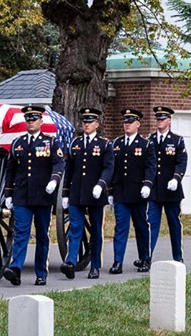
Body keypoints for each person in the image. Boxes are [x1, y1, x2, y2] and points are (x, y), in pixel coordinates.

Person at [2, 105, 64, 286]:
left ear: (41, 121)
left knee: (42, 235)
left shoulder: (50, 142)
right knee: (21, 232)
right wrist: (8, 193)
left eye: (34, 119)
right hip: (22, 196)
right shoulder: (18, 143)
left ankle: (41, 272)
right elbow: (10, 170)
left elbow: (58, 164)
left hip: (42, 196)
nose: (31, 122)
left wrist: (54, 180)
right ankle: (15, 269)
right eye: (28, 119)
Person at [61, 107, 113, 279]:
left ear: (97, 124)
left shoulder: (104, 144)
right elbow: (69, 171)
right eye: (85, 121)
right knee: (75, 228)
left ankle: (95, 266)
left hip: (95, 194)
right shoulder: (75, 144)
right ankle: (70, 262)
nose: (87, 124)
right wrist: (65, 194)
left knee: (96, 231)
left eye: (90, 121)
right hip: (77, 194)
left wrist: (101, 184)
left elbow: (108, 168)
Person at [108, 107, 155, 274]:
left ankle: (145, 258)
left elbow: (150, 167)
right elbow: (112, 169)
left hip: (138, 193)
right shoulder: (116, 144)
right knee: (121, 227)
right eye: (125, 122)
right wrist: (110, 191)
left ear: (138, 124)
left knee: (141, 226)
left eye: (130, 122)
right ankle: (117, 261)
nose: (127, 125)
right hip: (121, 193)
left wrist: (147, 185)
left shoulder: (146, 144)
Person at [147, 105, 187, 263]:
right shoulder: (149, 140)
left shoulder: (177, 140)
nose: (159, 121)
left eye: (162, 119)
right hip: (154, 190)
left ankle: (178, 256)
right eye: (157, 118)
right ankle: (147, 257)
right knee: (151, 224)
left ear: (169, 121)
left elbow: (181, 162)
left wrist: (176, 178)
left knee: (174, 225)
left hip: (171, 190)